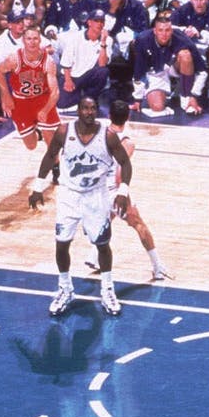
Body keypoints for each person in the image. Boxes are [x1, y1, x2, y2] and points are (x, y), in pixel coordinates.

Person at [30, 97, 132, 317]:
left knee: (102, 245)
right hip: (69, 195)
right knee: (61, 244)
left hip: (96, 196)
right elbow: (50, 156)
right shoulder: (64, 131)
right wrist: (38, 186)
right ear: (78, 110)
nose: (89, 112)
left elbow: (125, 162)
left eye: (93, 108)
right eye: (85, 108)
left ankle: (107, 289)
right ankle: (65, 289)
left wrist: (123, 191)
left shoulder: (108, 135)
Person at [84, 100, 170, 282]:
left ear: (109, 116)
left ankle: (93, 256)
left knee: (107, 217)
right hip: (113, 190)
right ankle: (157, 267)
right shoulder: (127, 142)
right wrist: (123, 193)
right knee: (139, 224)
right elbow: (119, 175)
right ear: (128, 117)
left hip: (95, 188)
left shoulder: (99, 132)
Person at [0, 25, 61, 154]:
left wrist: (45, 110)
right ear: (23, 41)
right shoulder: (14, 58)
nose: (32, 42)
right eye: (29, 39)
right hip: (21, 101)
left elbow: (55, 92)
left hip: (42, 98)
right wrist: (5, 97)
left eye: (35, 38)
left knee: (50, 137)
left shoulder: (48, 61)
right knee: (31, 146)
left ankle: (56, 167)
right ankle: (36, 132)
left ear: (40, 40)